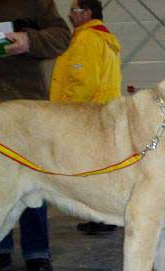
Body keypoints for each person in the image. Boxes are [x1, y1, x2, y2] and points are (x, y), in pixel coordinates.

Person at [0, 0, 71, 271]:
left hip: (24, 107)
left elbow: (61, 36)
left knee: (33, 178)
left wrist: (29, 40)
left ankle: (37, 250)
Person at [50, 0, 122, 235]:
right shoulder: (106, 39)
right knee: (105, 169)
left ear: (87, 13)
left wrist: (64, 114)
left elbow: (83, 82)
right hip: (105, 114)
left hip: (86, 117)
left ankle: (102, 217)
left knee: (93, 172)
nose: (70, 15)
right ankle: (107, 217)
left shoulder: (86, 38)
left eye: (74, 10)